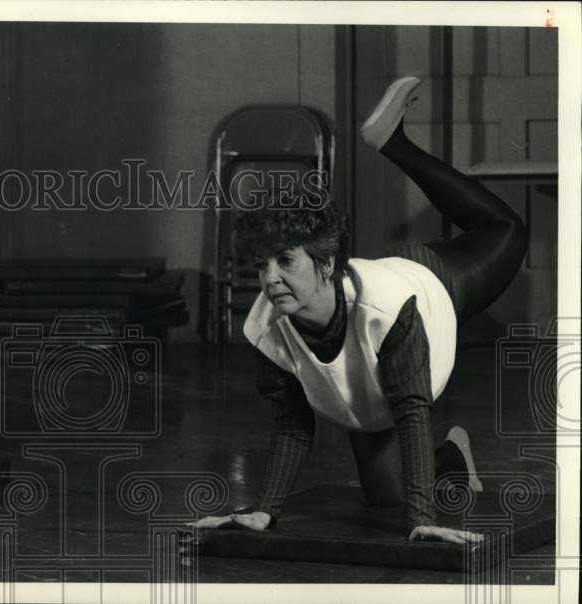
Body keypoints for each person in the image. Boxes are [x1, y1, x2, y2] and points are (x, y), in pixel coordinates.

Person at [191, 76, 526, 543]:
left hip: (428, 287)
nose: (269, 279)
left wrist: (424, 519)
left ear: (326, 262)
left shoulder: (387, 309)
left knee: (507, 231)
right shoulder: (267, 326)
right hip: (369, 391)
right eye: (261, 264)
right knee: (386, 497)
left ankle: (395, 143)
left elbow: (412, 410)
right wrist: (263, 511)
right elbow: (293, 425)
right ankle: (453, 454)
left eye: (285, 261)